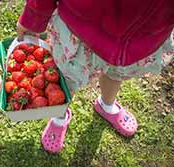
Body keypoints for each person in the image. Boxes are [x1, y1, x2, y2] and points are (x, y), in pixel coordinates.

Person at [16, 0, 174, 153]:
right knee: (63, 79)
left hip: (142, 38)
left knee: (117, 72)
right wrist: (34, 15)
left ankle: (107, 105)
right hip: (78, 28)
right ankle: (59, 116)